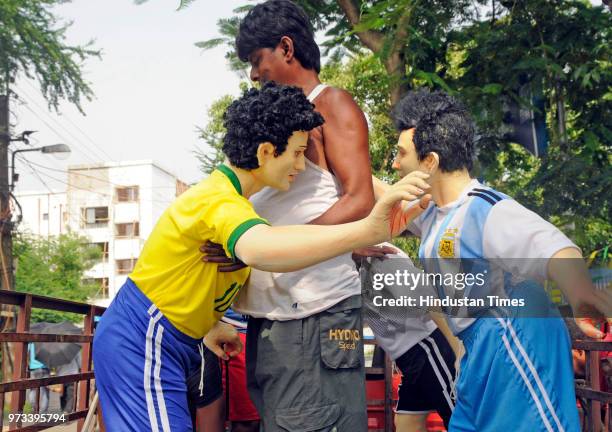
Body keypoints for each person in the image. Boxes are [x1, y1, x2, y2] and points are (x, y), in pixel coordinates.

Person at [93, 81, 430, 431]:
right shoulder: (220, 201)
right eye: (298, 153)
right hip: (145, 337)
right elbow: (262, 249)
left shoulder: (236, 204)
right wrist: (366, 231)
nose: (301, 166)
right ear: (267, 152)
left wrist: (211, 323)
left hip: (174, 339)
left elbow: (198, 271)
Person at [374, 88, 611, 431]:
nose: (395, 164)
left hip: (516, 343)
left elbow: (551, 246)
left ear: (430, 162)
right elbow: (383, 193)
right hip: (476, 354)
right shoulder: (434, 215)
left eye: (401, 154)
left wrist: (581, 293)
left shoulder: (485, 208)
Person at [214, 2, 376, 430]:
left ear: (285, 48)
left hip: (316, 310)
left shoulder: (332, 103)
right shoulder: (274, 118)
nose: (253, 74)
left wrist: (274, 248)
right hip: (272, 315)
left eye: (256, 60)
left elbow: (360, 199)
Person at [358, 247, 459, 431]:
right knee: (407, 424)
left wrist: (459, 352)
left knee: (458, 416)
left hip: (427, 346)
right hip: (407, 356)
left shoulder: (384, 258)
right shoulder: (352, 267)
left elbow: (429, 300)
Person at [28, 343, 49, 413]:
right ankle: (42, 413)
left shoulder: (31, 341)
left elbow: (27, 351)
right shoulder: (47, 340)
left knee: (33, 389)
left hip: (34, 368)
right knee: (44, 391)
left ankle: (34, 408)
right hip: (45, 368)